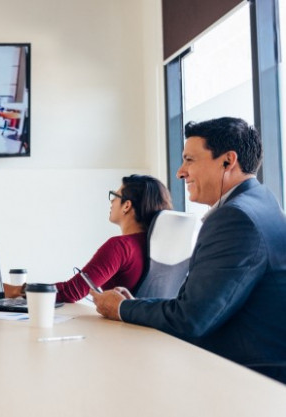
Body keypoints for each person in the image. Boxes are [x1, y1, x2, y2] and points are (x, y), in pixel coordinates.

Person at [93, 117, 286, 383]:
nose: (180, 172)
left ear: (228, 161)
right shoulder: (262, 201)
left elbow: (192, 319)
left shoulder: (235, 218)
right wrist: (135, 305)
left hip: (249, 378)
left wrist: (122, 308)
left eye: (189, 160)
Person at [4, 175, 172, 303]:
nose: (112, 201)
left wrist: (15, 290)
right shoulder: (155, 244)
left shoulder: (121, 246)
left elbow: (72, 291)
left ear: (127, 206)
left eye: (115, 196)